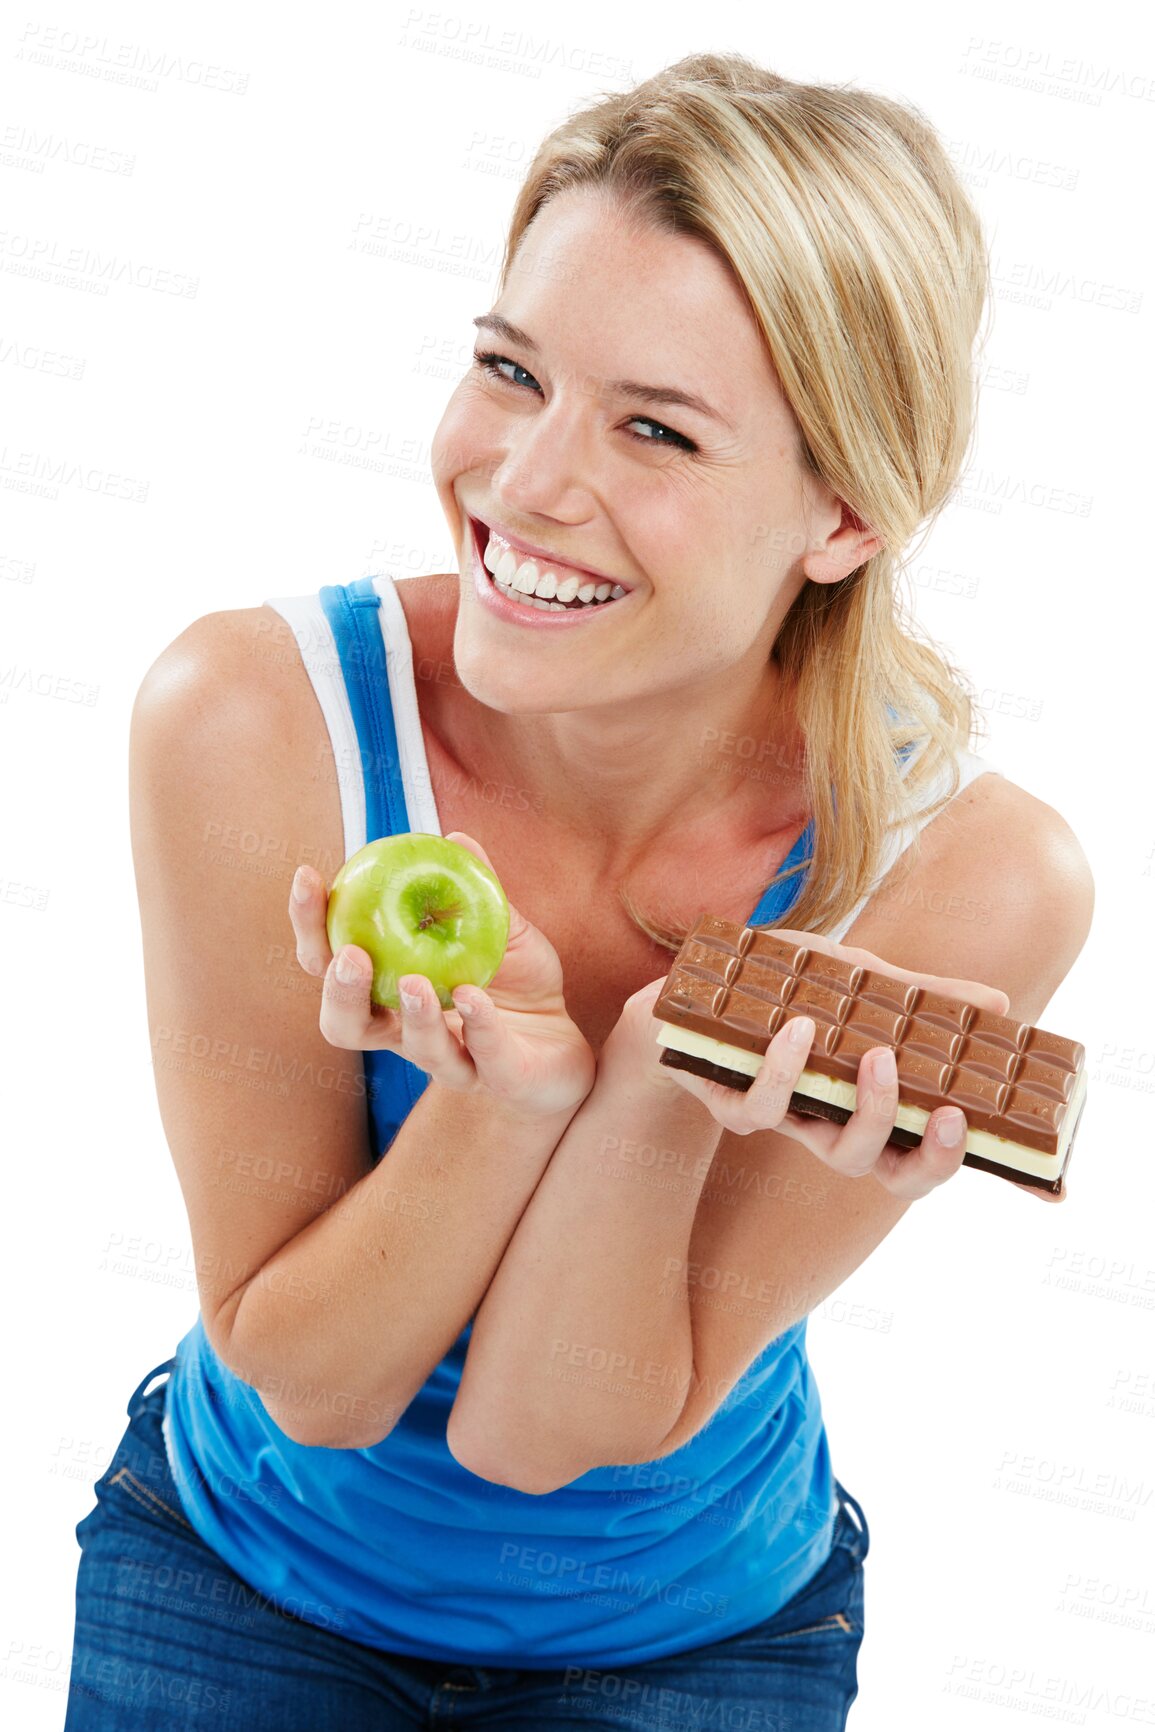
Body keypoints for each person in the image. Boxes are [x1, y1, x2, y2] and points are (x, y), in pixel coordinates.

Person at [63, 49, 1093, 1731]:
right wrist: (500, 1100)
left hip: (698, 1637)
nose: (528, 483)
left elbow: (539, 1428)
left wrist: (660, 1079)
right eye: (509, 369)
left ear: (843, 513)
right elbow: (311, 1378)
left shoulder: (966, 878)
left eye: (658, 429)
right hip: (241, 1576)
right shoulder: (259, 725)